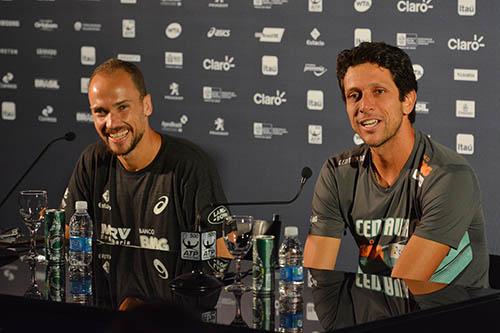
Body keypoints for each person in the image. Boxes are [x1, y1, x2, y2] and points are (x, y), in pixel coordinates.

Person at [303, 42, 489, 287]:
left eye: (378, 91)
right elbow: (317, 280)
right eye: (354, 95)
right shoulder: (338, 172)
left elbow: (404, 288)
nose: (364, 106)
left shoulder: (449, 176)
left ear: (408, 101)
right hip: (376, 316)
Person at [62, 58, 231, 308]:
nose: (112, 123)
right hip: (102, 318)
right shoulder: (92, 162)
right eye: (101, 112)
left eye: (122, 108)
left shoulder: (189, 166)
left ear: (147, 105)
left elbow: (221, 252)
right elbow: (68, 236)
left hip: (173, 321)